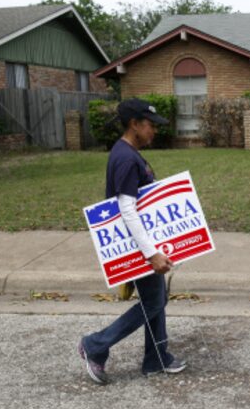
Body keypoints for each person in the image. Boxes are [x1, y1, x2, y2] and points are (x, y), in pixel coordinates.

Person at [78, 98, 186, 384]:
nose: (154, 130)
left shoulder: (128, 152)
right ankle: (95, 345)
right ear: (134, 124)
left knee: (156, 299)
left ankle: (156, 358)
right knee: (153, 302)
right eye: (150, 125)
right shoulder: (125, 158)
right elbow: (127, 209)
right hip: (138, 247)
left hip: (140, 244)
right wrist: (151, 254)